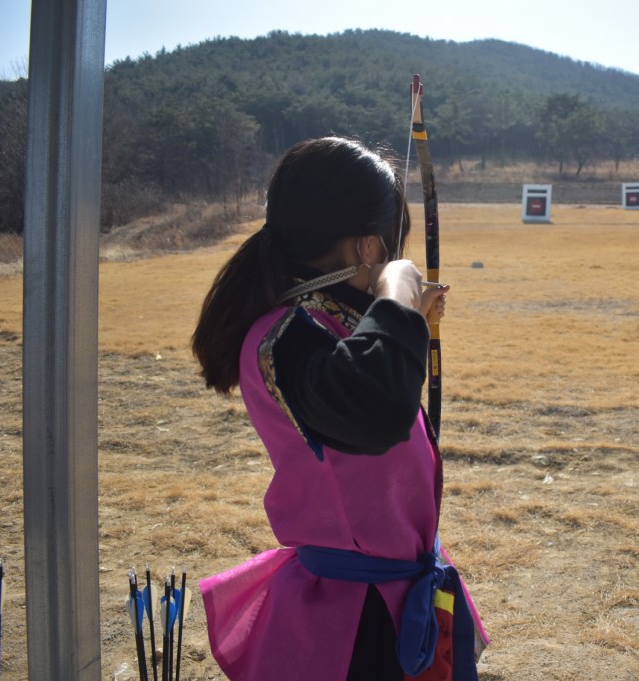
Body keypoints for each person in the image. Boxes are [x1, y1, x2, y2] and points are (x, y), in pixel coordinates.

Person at [191, 137, 487, 680]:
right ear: (367, 249)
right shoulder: (284, 336)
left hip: (395, 599)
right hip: (350, 624)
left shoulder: (335, 324)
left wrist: (402, 315)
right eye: (393, 247)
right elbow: (374, 407)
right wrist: (397, 293)